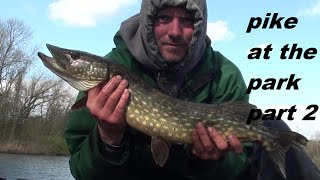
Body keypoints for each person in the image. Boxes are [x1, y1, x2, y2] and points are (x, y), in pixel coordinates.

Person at [64, 0, 320, 179]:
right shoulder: (110, 78)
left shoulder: (225, 76)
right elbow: (82, 172)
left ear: (199, 26)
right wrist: (108, 138)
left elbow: (238, 166)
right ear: (148, 20)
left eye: (186, 20)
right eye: (164, 17)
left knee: (270, 125)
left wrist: (210, 161)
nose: (175, 32)